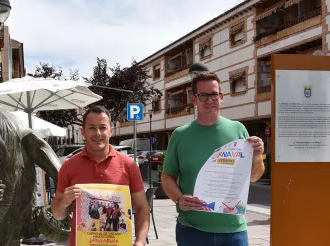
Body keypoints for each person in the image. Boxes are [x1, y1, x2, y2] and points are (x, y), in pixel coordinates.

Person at [161, 71, 265, 246]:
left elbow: (254, 176)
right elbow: (167, 176)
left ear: (221, 97)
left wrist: (256, 157)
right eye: (203, 96)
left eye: (214, 95)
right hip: (192, 231)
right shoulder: (180, 135)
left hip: (234, 231)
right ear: (194, 100)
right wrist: (178, 198)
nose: (209, 100)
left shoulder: (238, 130)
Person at [51, 105, 150, 246]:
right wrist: (64, 202)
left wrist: (140, 241)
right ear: (83, 132)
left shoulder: (129, 165)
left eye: (103, 127)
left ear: (111, 131)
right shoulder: (68, 166)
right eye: (91, 128)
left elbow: (142, 207)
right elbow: (57, 214)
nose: (97, 133)